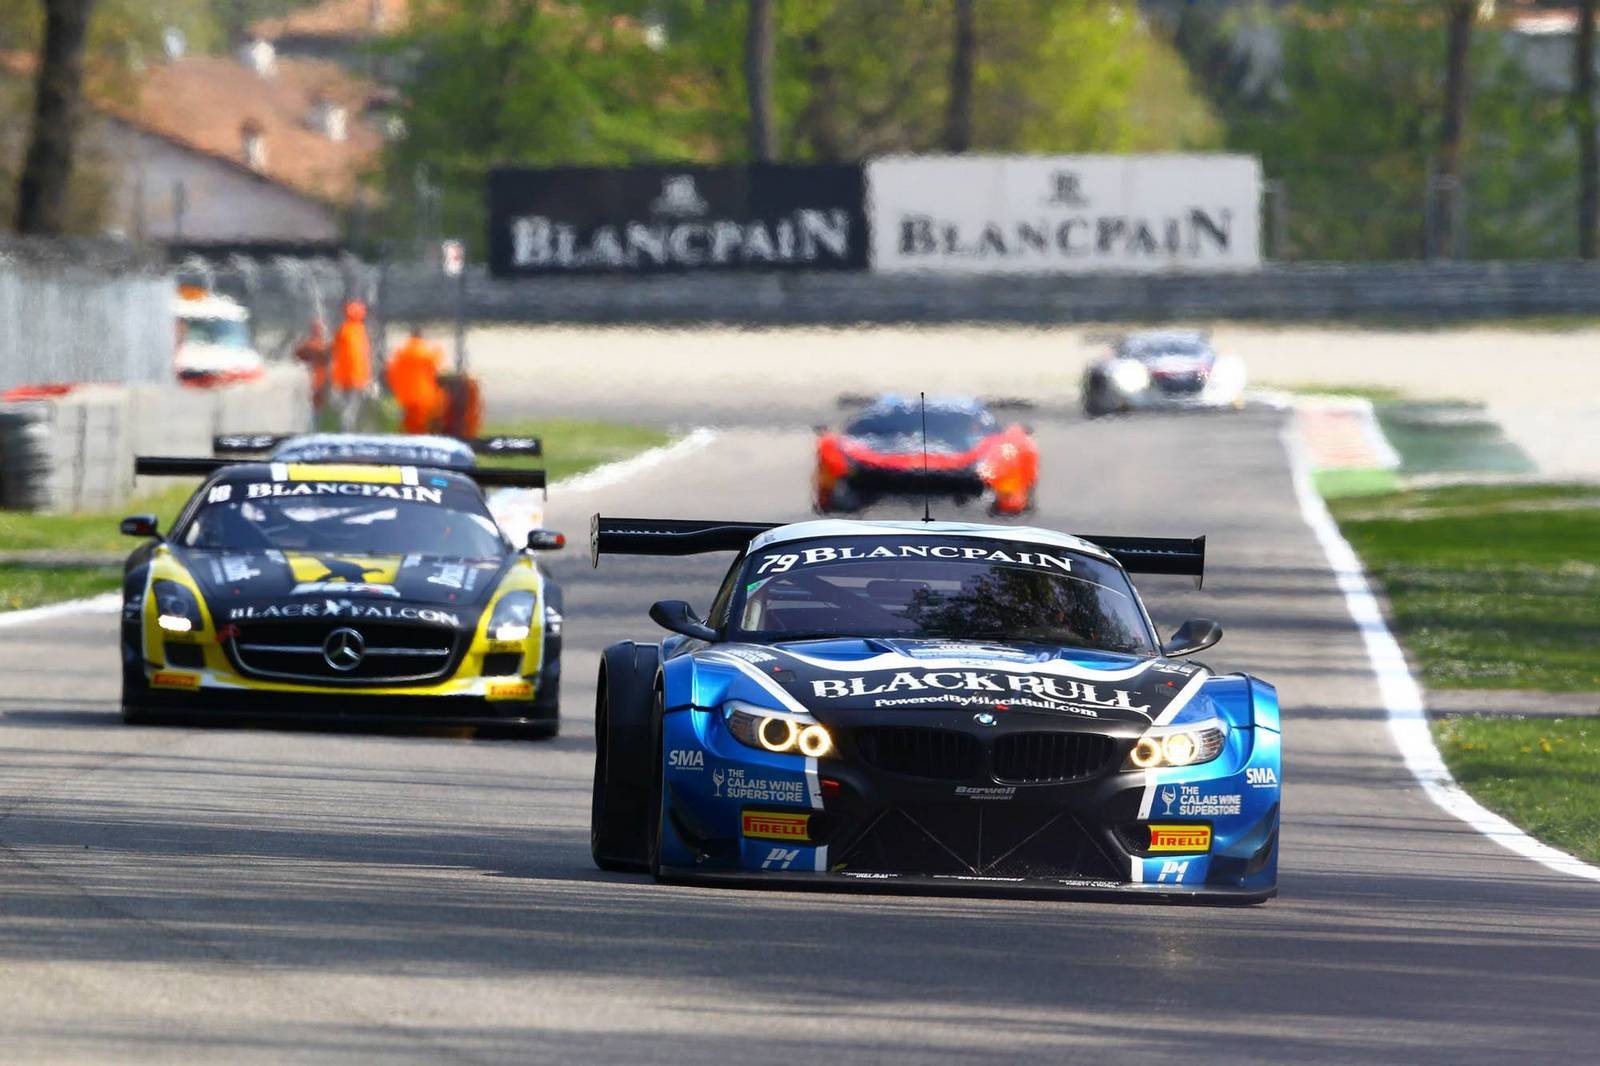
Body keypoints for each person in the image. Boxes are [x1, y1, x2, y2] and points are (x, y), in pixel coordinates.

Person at [386, 327, 445, 434]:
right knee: (421, 424)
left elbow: (391, 373)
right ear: (421, 337)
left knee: (408, 423)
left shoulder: (401, 353)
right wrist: (438, 350)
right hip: (423, 395)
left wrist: (397, 390)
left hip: (405, 396)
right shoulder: (426, 352)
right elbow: (436, 366)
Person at [329, 301, 373, 431]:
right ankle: (346, 431)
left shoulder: (344, 330)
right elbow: (358, 357)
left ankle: (347, 429)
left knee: (348, 407)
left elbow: (336, 353)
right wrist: (365, 377)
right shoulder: (358, 331)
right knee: (351, 408)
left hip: (343, 376)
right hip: (355, 377)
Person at [293, 319, 331, 417]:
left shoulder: (310, 345)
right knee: (319, 408)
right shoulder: (321, 345)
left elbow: (297, 354)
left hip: (317, 381)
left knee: (317, 409)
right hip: (318, 381)